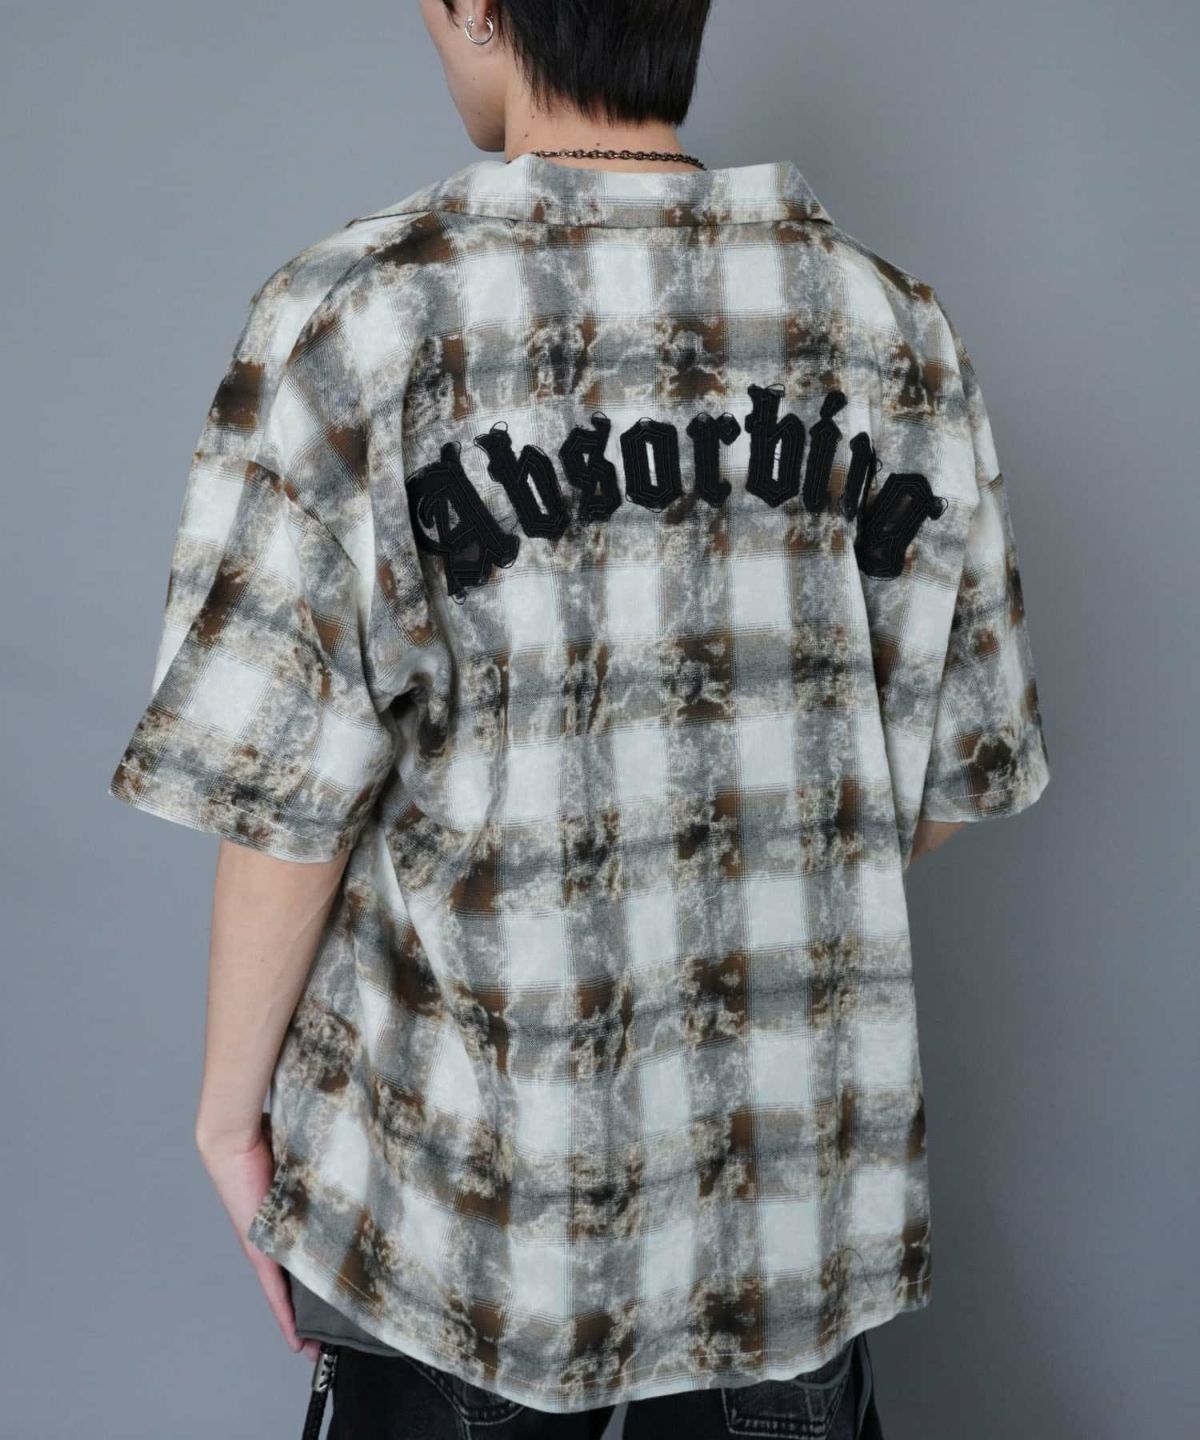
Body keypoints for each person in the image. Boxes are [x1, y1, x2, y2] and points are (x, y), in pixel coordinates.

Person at [107, 1, 1051, 1435]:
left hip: (463, 1213)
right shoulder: (891, 332)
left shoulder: (365, 317)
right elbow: (931, 780)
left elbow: (282, 805)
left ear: (480, 5)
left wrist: (228, 1117)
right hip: (782, 1219)